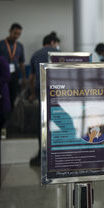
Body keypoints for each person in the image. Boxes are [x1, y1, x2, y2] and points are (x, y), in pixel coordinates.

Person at [28, 32, 60, 166]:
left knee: (42, 123)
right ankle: (58, 154)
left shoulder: (35, 54)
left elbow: (31, 78)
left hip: (41, 92)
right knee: (57, 121)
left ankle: (42, 155)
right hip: (58, 92)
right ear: (53, 42)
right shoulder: (59, 53)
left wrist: (32, 94)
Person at [0, 23, 26, 109]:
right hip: (2, 75)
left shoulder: (20, 46)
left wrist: (23, 78)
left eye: (19, 34)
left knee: (13, 96)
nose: (16, 35)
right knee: (2, 98)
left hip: (14, 75)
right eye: (15, 33)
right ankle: (1, 119)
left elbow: (22, 62)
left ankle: (11, 118)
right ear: (10, 31)